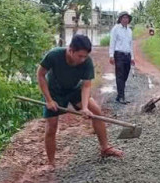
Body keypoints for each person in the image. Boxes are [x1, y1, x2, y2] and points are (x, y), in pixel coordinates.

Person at [38, 35, 124, 167]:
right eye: (80, 56)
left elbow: (86, 85)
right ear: (71, 50)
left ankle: (105, 148)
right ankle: (51, 163)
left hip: (74, 90)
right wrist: (49, 100)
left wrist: (84, 107)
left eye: (85, 56)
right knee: (52, 126)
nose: (83, 59)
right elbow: (40, 74)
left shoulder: (87, 62)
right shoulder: (54, 55)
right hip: (54, 92)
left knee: (96, 111)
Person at [108, 11, 135, 104]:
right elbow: (112, 42)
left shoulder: (129, 31)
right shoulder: (116, 29)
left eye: (127, 18)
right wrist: (111, 55)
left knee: (125, 75)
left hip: (127, 55)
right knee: (119, 75)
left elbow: (131, 44)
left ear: (129, 20)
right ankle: (121, 97)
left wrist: (132, 57)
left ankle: (119, 96)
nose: (125, 19)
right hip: (119, 55)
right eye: (123, 18)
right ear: (120, 19)